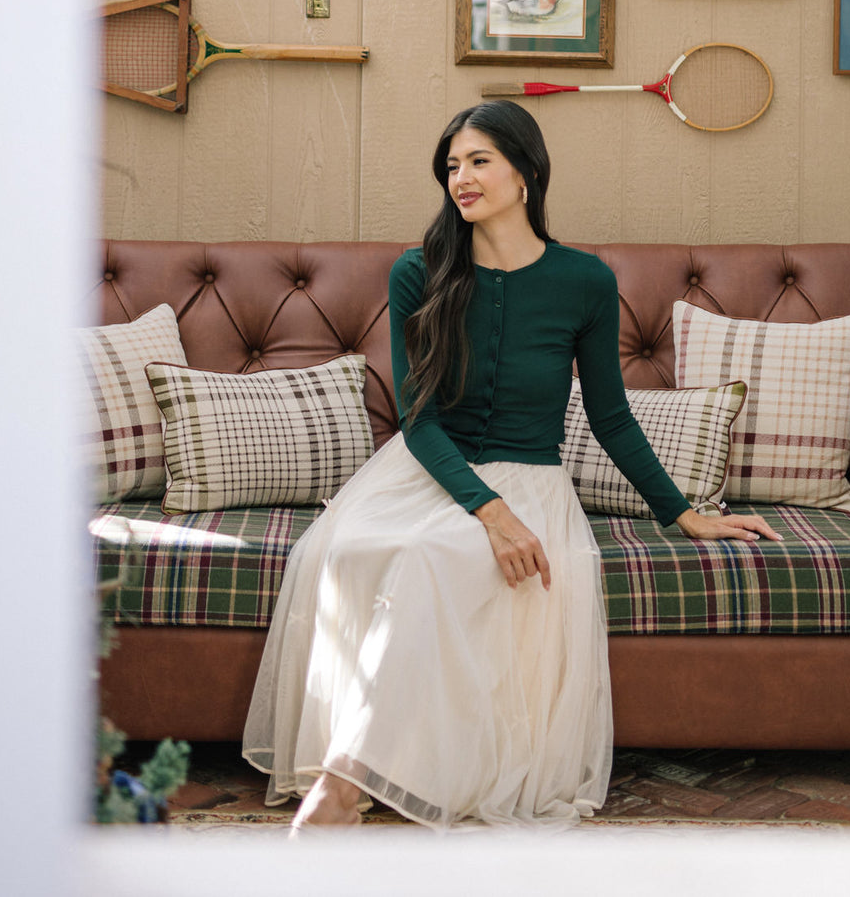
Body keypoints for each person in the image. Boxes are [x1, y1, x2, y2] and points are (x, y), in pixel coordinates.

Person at [242, 101, 780, 831]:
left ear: (527, 171)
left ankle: (345, 784)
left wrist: (684, 513)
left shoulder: (584, 281)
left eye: (478, 161)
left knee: (433, 558)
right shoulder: (418, 272)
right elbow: (419, 421)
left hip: (532, 476)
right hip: (425, 470)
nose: (461, 178)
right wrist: (490, 514)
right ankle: (370, 770)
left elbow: (611, 416)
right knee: (354, 549)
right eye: (452, 166)